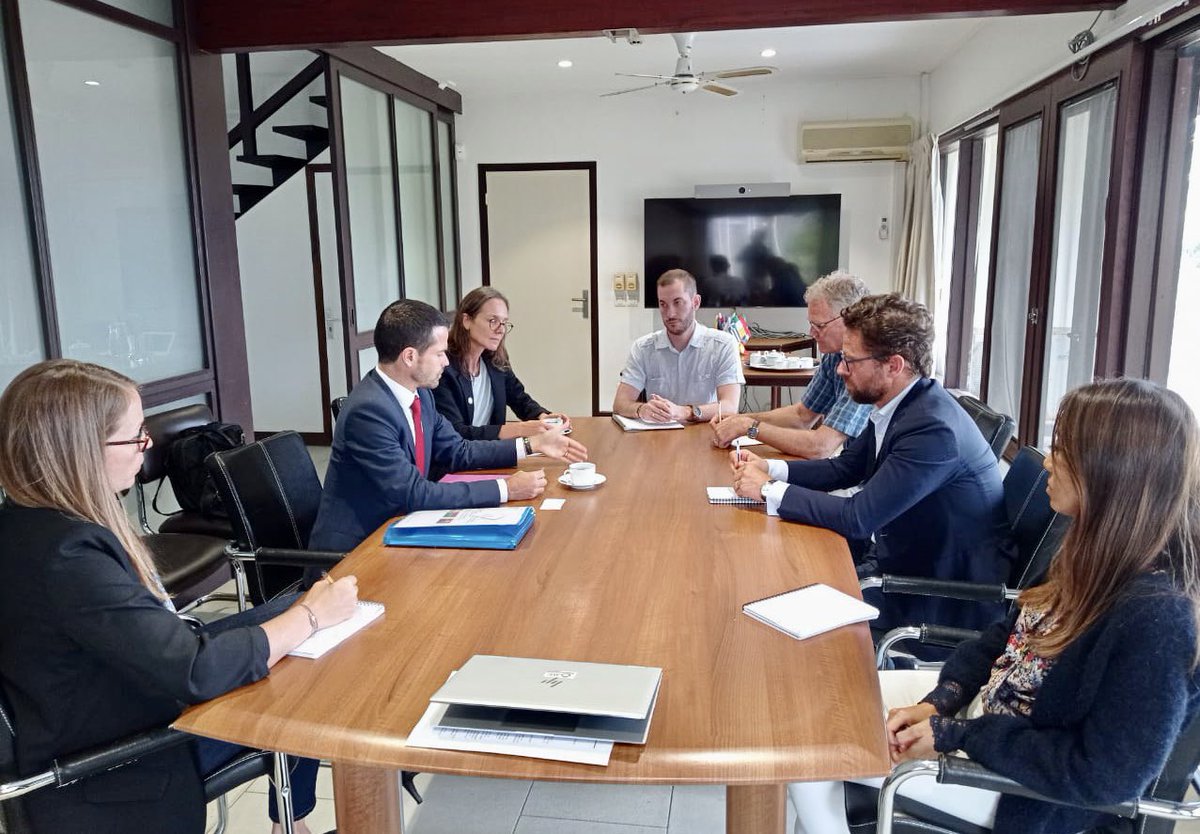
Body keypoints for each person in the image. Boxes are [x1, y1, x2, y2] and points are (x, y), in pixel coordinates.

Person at [788, 378, 1200, 834]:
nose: (1048, 461)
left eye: (1064, 450)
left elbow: (1103, 776)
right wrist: (941, 702)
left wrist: (955, 736)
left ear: (1111, 471)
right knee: (815, 710)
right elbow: (1006, 637)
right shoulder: (1092, 548)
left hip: (1025, 789)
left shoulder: (1159, 617)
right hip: (987, 719)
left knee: (813, 752)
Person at [0, 359, 360, 834]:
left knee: (299, 615)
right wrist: (309, 618)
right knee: (309, 658)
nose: (146, 449)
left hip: (119, 689)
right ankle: (308, 820)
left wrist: (303, 613)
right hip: (121, 759)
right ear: (80, 451)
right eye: (134, 436)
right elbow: (194, 671)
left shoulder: (30, 522)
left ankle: (291, 821)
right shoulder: (68, 556)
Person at [731, 294, 1013, 633]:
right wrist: (770, 468)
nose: (839, 369)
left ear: (894, 365)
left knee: (774, 609)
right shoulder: (903, 404)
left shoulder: (933, 430)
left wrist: (767, 489)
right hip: (899, 557)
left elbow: (858, 517)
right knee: (766, 572)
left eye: (850, 361)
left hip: (935, 595)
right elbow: (846, 467)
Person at [310, 298, 587, 552]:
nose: (446, 361)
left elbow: (459, 450)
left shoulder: (421, 395)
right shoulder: (369, 411)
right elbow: (413, 493)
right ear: (409, 357)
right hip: (358, 551)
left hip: (400, 528)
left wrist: (531, 445)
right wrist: (506, 488)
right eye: (439, 353)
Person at [710, 271, 873, 458]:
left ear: (850, 319)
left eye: (819, 325)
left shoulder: (867, 365)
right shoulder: (834, 356)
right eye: (811, 324)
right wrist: (740, 419)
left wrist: (750, 427)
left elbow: (820, 447)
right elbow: (802, 417)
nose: (812, 333)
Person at [433, 286, 569, 441]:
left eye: (504, 323)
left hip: (492, 454)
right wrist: (520, 428)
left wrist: (543, 417)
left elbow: (519, 398)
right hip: (462, 459)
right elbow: (457, 433)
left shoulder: (495, 360)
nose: (500, 330)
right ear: (467, 321)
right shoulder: (442, 368)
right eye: (493, 321)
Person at [612, 269, 743, 424]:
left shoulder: (723, 344)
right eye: (663, 304)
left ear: (696, 302)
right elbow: (620, 403)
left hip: (704, 432)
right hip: (658, 436)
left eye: (678, 303)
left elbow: (729, 406)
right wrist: (641, 410)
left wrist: (685, 412)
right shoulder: (643, 348)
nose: (670, 314)